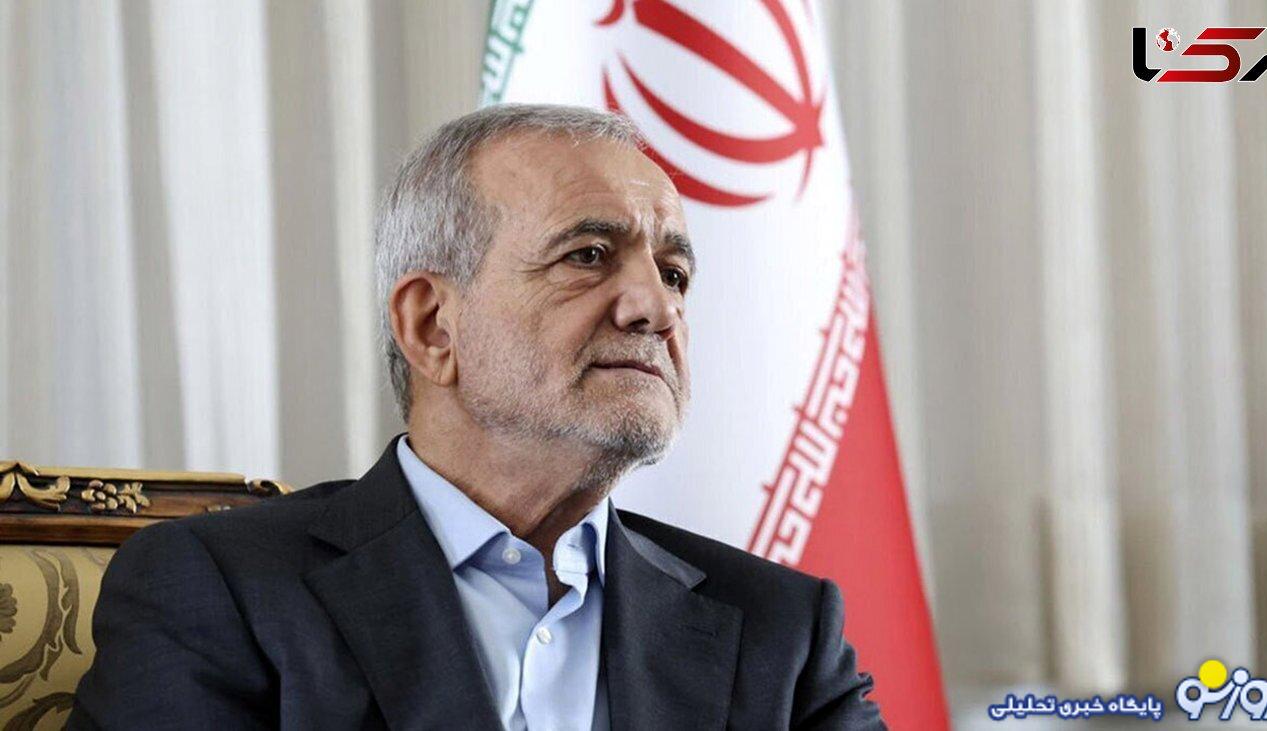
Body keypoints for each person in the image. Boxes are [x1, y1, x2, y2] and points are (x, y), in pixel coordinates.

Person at [69, 104, 885, 730]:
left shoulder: (783, 631)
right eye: (588, 256)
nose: (656, 308)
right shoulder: (220, 591)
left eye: (674, 273)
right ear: (432, 326)